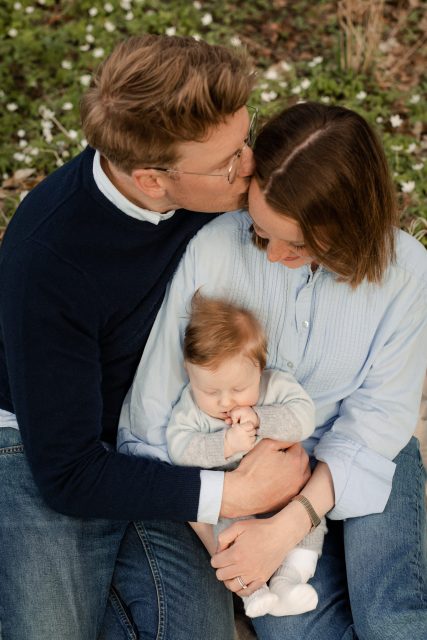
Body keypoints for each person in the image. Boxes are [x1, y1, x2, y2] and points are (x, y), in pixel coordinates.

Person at [0, 35, 310, 640]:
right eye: (228, 162)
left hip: (157, 434)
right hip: (48, 444)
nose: (249, 165)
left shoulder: (212, 182)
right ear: (151, 179)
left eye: (246, 139)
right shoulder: (49, 259)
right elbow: (68, 472)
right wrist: (229, 492)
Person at [118, 102, 427, 639]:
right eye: (262, 232)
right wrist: (235, 543)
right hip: (242, 472)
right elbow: (147, 427)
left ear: (354, 227)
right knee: (297, 631)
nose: (273, 255)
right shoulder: (215, 249)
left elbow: (379, 419)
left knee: (392, 619)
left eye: (301, 245)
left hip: (361, 454)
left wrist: (293, 522)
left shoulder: (406, 270)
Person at [164, 292, 327, 618]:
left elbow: (304, 418)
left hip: (286, 496)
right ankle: (253, 593)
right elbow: (179, 448)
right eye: (210, 391)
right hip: (235, 505)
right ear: (189, 372)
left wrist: (261, 418)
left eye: (238, 389)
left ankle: (288, 581)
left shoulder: (275, 387)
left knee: (312, 524)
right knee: (226, 536)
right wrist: (224, 445)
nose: (225, 402)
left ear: (260, 367)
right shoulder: (192, 408)